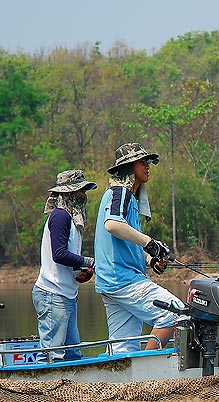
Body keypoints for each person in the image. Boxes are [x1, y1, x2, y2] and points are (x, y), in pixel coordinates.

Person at [94, 142, 184, 353]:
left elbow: (125, 239)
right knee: (175, 312)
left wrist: (150, 259)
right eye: (142, 162)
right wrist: (150, 242)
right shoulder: (120, 192)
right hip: (123, 279)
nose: (147, 165)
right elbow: (113, 225)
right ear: (128, 167)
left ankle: (128, 382)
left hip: (113, 282)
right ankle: (149, 368)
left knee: (124, 348)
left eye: (148, 161)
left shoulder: (130, 199)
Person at [32, 169, 97, 361]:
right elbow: (59, 254)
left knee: (72, 354)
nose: (84, 196)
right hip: (52, 294)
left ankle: (68, 390)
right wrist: (89, 261)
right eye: (81, 191)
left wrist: (82, 271)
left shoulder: (72, 220)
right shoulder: (60, 216)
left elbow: (66, 259)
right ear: (68, 194)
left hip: (66, 294)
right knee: (53, 356)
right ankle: (46, 389)